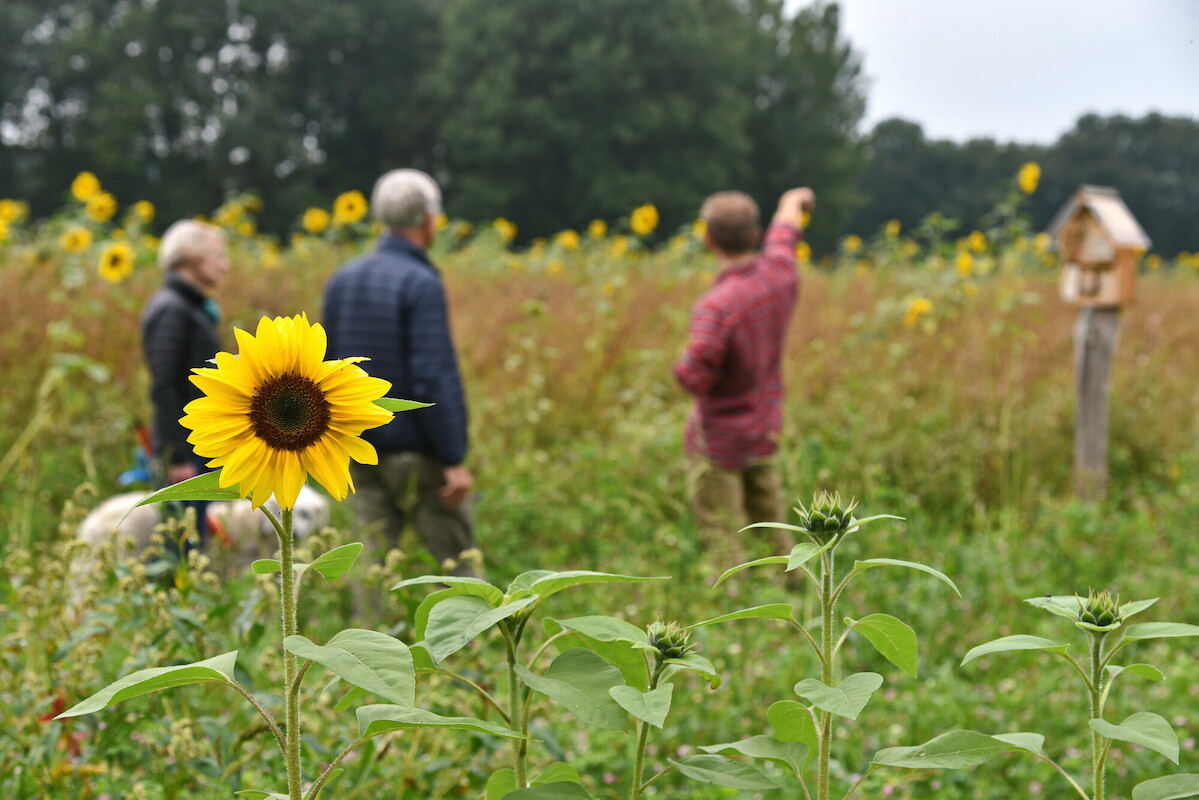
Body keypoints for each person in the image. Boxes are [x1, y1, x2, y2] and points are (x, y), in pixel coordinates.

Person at [322, 169, 480, 577]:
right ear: (429, 219)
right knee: (458, 566)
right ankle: (468, 641)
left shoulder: (341, 281)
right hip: (417, 455)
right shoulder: (421, 281)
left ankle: (364, 643)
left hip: (358, 447)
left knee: (373, 569)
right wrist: (453, 458)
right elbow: (432, 375)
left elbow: (328, 365)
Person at [672, 187, 815, 557]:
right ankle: (797, 596)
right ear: (755, 235)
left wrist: (682, 366)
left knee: (723, 539)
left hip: (718, 443)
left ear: (707, 238)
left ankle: (731, 608)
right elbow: (786, 228)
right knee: (776, 534)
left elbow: (694, 376)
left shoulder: (716, 307)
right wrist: (796, 200)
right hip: (764, 428)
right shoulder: (779, 274)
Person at [141, 219, 229, 545]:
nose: (225, 264)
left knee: (195, 540)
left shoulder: (189, 307)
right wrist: (177, 456)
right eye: (218, 254)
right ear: (192, 256)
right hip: (185, 451)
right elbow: (163, 383)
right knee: (182, 547)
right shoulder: (171, 308)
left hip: (198, 443)